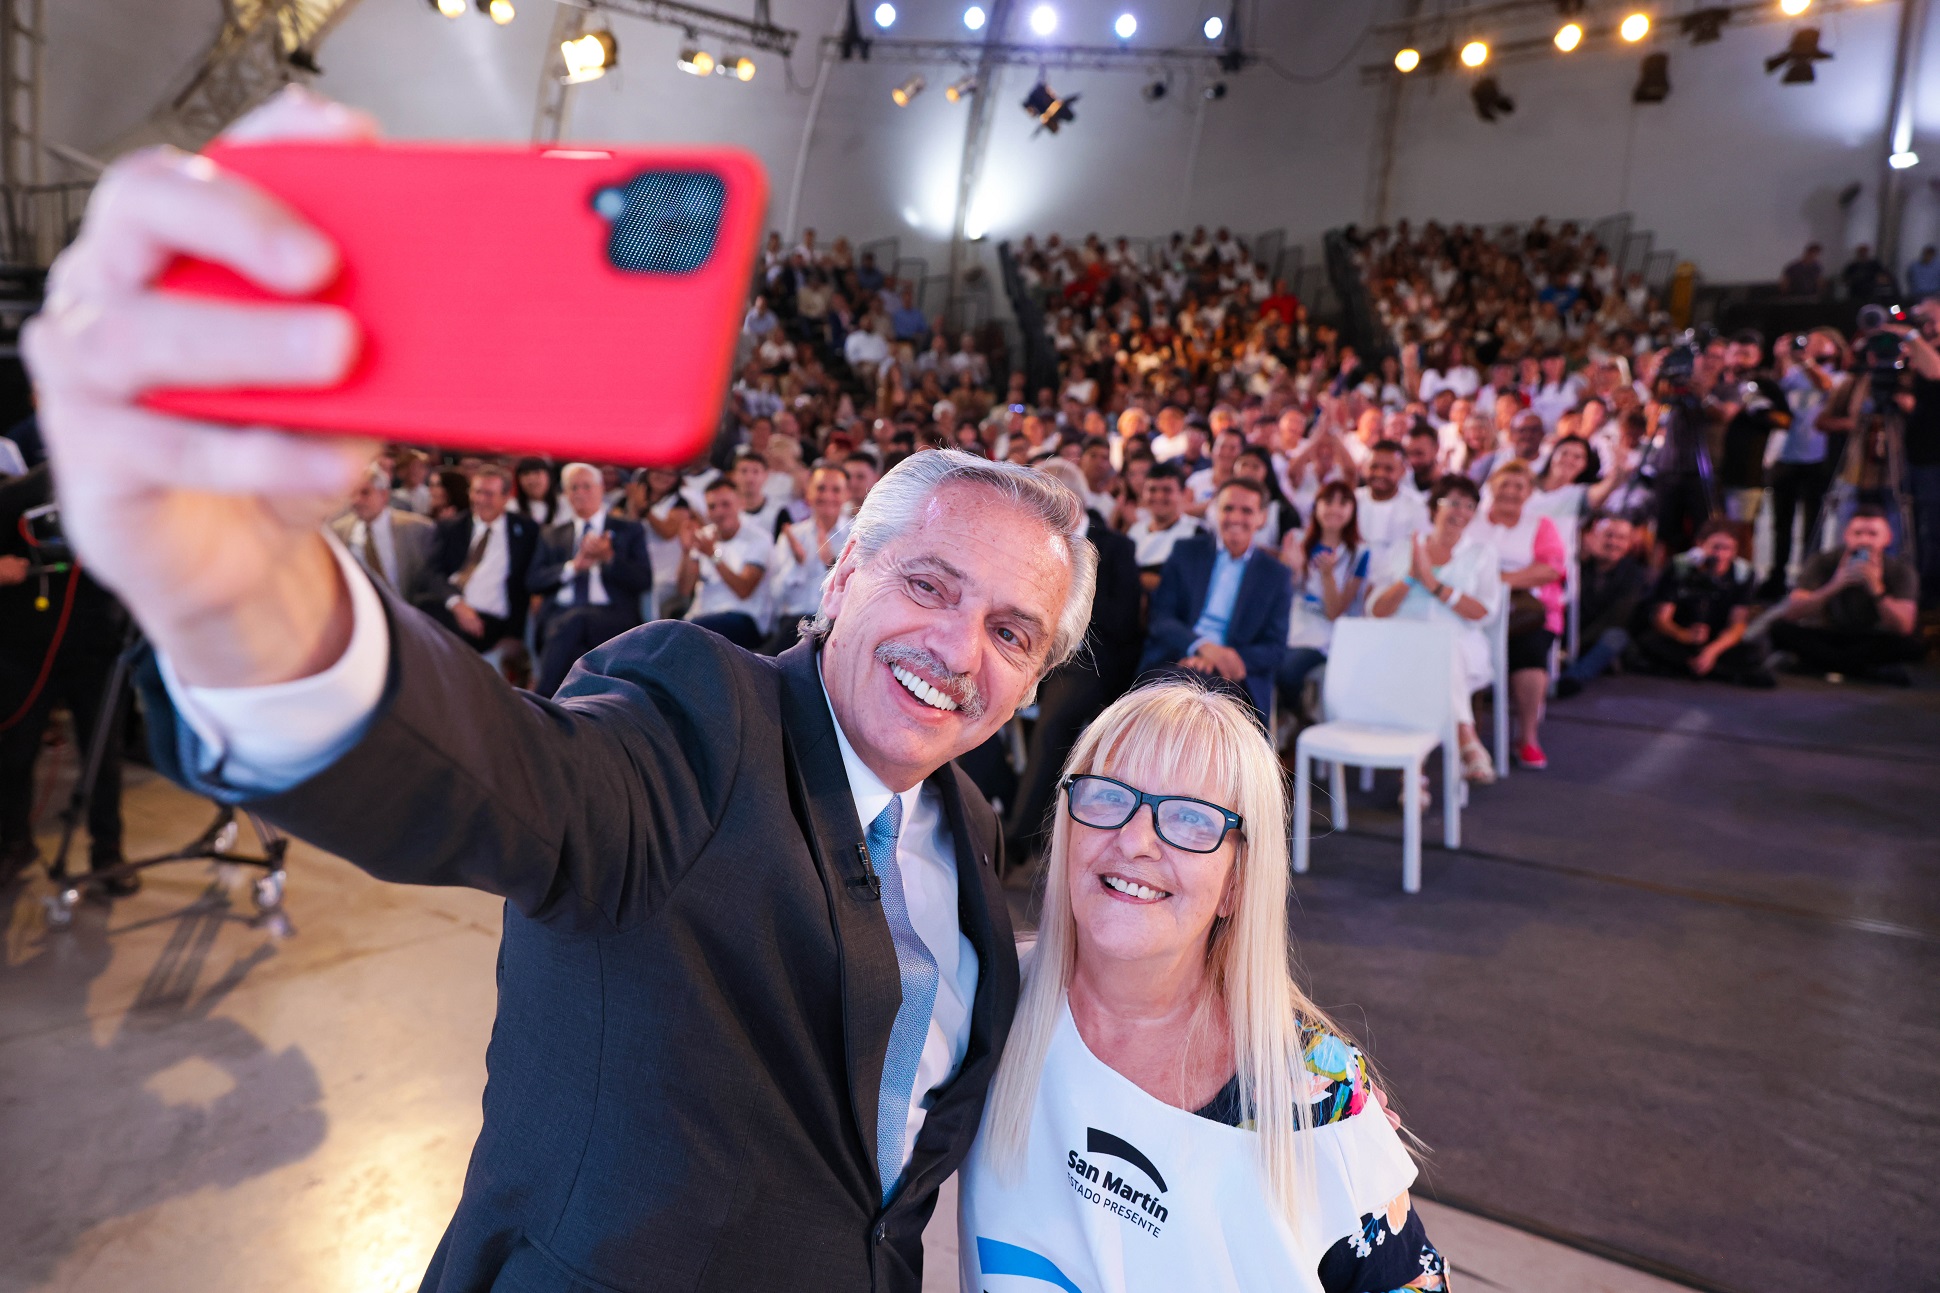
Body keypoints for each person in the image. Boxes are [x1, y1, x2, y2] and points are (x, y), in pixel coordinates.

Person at [26, 116, 1103, 1290]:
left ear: (1036, 676)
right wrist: (239, 591)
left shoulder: (969, 826)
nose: (957, 647)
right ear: (842, 575)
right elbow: (501, 778)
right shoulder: (697, 719)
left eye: (1009, 632)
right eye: (928, 585)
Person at [959, 682, 1444, 1293]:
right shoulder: (987, 997)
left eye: (1191, 818)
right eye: (1108, 798)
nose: (1135, 841)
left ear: (1238, 881)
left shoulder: (1313, 1089)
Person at [1002, 459, 1143, 867]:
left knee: (1052, 725)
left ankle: (1014, 843)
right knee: (969, 689)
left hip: (1086, 659)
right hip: (1031, 648)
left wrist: (1073, 594)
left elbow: (1123, 620)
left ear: (1074, 504)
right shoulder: (1033, 541)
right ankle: (1015, 799)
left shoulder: (1116, 548)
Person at [0, 466, 134, 891]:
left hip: (98, 646)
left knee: (103, 755)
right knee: (14, 752)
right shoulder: (20, 494)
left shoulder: (123, 491)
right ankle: (14, 843)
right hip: (25, 648)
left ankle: (107, 850)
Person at [1368, 475, 1502, 784]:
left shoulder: (1481, 553)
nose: (1461, 512)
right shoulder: (1406, 548)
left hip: (1459, 644)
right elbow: (1377, 610)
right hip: (1400, 644)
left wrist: (1436, 586)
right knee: (1419, 655)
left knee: (1440, 649)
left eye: (1469, 506)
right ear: (1434, 507)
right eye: (1453, 503)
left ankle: (1414, 772)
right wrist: (1411, 579)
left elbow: (1483, 612)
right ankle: (1466, 739)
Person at [1139, 479, 1293, 718]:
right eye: (1228, 508)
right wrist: (1202, 647)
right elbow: (1161, 618)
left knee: (1200, 703)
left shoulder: (1276, 575)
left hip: (1235, 674)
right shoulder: (1186, 552)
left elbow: (1275, 648)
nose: (1235, 518)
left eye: (1247, 511)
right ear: (1216, 511)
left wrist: (1224, 658)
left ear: (1262, 518)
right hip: (1176, 658)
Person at [527, 463, 652, 698]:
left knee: (577, 619)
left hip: (612, 615)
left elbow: (643, 580)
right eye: (573, 487)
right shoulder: (552, 534)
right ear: (565, 494)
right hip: (560, 616)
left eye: (586, 486)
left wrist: (608, 558)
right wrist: (573, 567)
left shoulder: (629, 530)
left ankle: (544, 698)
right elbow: (533, 581)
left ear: (601, 488)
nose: (580, 492)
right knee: (571, 623)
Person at [1473, 461, 1565, 769]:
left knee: (1530, 652)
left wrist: (1498, 582)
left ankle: (1527, 737)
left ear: (1528, 494)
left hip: (1524, 613)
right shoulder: (1473, 521)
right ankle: (1467, 737)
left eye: (1519, 487)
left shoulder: (1540, 525)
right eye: (1505, 485)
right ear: (1491, 487)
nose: (1511, 492)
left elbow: (1550, 568)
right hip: (1473, 607)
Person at [1770, 506, 1923, 685]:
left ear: (1887, 538)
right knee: (1780, 629)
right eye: (1857, 533)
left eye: (1873, 534)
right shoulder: (1824, 561)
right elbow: (1792, 612)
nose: (1864, 540)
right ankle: (1862, 671)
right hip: (1832, 634)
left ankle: (1824, 666)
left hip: (1871, 638)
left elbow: (1904, 626)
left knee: (1911, 645)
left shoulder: (1900, 570)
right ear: (1846, 535)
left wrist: (1877, 589)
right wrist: (1834, 585)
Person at [1629, 521, 1776, 687]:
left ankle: (1695, 667)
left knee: (1755, 653)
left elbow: (1737, 625)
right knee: (1647, 642)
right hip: (1680, 634)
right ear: (1700, 544)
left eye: (1727, 549)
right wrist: (1683, 635)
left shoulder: (1743, 574)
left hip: (1716, 640)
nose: (1720, 555)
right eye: (1715, 547)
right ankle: (1714, 672)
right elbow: (1662, 618)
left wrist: (1711, 652)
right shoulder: (1681, 566)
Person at [1762, 329, 1848, 598]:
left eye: (1822, 341)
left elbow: (1826, 387)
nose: (1813, 345)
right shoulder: (1796, 374)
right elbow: (1777, 383)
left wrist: (1807, 361)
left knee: (1813, 525)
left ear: (1836, 348)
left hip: (1819, 460)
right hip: (1787, 457)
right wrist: (1780, 357)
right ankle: (1777, 577)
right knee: (1782, 523)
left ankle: (1809, 578)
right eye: (1811, 340)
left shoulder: (1840, 376)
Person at [420, 464, 539, 654]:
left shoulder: (526, 531)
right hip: (450, 607)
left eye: (489, 494)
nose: (481, 500)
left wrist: (515, 633)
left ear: (506, 497)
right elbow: (431, 572)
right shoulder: (451, 527)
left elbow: (533, 579)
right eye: (477, 492)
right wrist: (457, 604)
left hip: (490, 619)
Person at [1276, 482, 1368, 710]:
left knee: (1287, 671)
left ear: (1353, 510)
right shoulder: (1297, 540)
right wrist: (1289, 570)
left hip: (1325, 636)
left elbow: (1334, 612)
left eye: (1343, 503)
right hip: (1290, 625)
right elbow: (1278, 595)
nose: (1334, 509)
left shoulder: (1359, 553)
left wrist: (1328, 576)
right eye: (1328, 501)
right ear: (1316, 506)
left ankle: (1298, 717)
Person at [1555, 514, 1649, 697]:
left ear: (1629, 544)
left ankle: (1572, 678)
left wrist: (1574, 646)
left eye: (1621, 538)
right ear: (1593, 538)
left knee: (1616, 636)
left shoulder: (1635, 575)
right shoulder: (1578, 567)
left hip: (1602, 641)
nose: (1613, 542)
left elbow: (1617, 617)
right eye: (1608, 535)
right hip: (1571, 638)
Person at [679, 478, 775, 650]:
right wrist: (686, 552)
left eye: (726, 505)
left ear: (740, 504)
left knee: (690, 632)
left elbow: (744, 589)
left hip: (744, 618)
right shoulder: (704, 536)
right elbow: (685, 589)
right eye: (712, 507)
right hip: (702, 617)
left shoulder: (758, 539)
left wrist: (713, 556)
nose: (719, 512)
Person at [770, 464, 852, 652]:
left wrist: (831, 564)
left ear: (846, 495)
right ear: (809, 493)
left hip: (836, 624)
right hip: (795, 621)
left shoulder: (856, 533)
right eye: (821, 488)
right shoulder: (793, 535)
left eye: (836, 490)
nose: (828, 496)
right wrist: (798, 563)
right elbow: (776, 595)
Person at [332, 463, 436, 601]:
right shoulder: (339, 531)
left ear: (384, 495)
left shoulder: (418, 528)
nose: (356, 500)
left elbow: (429, 579)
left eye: (365, 493)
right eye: (352, 493)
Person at [1355, 440, 1428, 573]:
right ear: (1365, 467)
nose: (1380, 474)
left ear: (1402, 471)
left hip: (1395, 583)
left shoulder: (1417, 506)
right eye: (1374, 467)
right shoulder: (1352, 501)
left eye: (1389, 469)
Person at [1125, 463, 1200, 589]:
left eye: (1167, 490)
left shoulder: (1196, 532)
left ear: (1183, 493)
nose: (1159, 496)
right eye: (1152, 490)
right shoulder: (1134, 532)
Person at [509, 455, 563, 528]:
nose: (532, 479)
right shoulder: (511, 507)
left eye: (537, 473)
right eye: (526, 474)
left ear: (549, 476)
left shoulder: (565, 504)